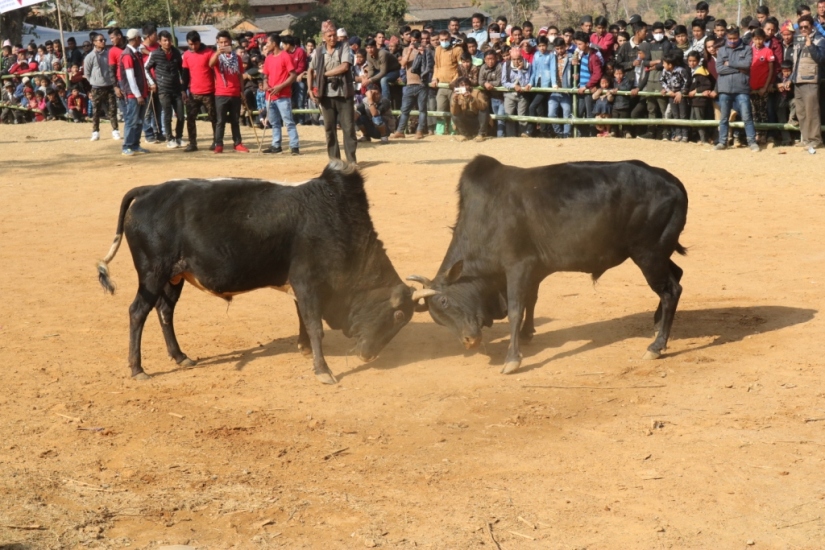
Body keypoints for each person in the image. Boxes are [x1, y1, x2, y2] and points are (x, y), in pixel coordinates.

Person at [308, 20, 358, 163]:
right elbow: (310, 70)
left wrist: (324, 74)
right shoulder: (318, 51)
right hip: (326, 95)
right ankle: (335, 161)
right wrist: (310, 89)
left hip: (343, 93)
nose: (332, 38)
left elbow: (344, 67)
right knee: (329, 130)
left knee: (348, 129)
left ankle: (351, 162)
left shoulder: (344, 47)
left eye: (334, 35)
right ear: (323, 37)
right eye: (329, 36)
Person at [715, 25, 759, 151]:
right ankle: (722, 142)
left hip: (742, 89)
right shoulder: (722, 50)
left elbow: (746, 65)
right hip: (724, 89)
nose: (732, 41)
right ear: (726, 37)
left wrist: (729, 64)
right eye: (730, 38)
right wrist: (738, 68)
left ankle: (752, 142)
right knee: (724, 117)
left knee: (747, 116)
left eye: (735, 38)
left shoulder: (747, 49)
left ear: (739, 36)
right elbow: (719, 69)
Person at [209, 30, 249, 154]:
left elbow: (240, 76)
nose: (224, 44)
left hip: (235, 93)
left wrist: (242, 91)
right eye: (221, 42)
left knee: (235, 120)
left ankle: (237, 143)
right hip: (221, 93)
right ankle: (219, 144)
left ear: (230, 42)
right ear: (217, 43)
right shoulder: (216, 56)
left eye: (226, 42)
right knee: (220, 121)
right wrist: (217, 53)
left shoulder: (236, 57)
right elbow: (210, 64)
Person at [145, 30, 185, 149]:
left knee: (181, 115)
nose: (168, 43)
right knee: (167, 115)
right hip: (163, 90)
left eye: (169, 40)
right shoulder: (155, 54)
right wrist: (152, 82)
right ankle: (169, 138)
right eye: (165, 40)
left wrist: (183, 85)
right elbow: (146, 68)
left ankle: (179, 137)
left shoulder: (176, 52)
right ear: (159, 42)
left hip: (176, 89)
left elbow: (182, 70)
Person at [791, 14, 825, 153]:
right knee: (801, 113)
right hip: (798, 80)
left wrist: (810, 44)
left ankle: (816, 140)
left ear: (812, 26)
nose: (803, 29)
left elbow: (821, 58)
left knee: (812, 112)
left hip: (811, 79)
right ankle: (806, 139)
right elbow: (795, 62)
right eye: (801, 27)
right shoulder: (797, 40)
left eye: (806, 27)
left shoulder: (820, 39)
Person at [261, 33, 299, 155]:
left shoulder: (285, 56)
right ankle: (276, 145)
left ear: (274, 43)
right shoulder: (268, 58)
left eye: (268, 43)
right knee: (274, 122)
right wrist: (265, 83)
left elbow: (293, 75)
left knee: (288, 121)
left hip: (283, 96)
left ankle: (294, 146)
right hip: (270, 95)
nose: (266, 45)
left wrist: (281, 86)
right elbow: (265, 76)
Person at [182, 30, 216, 152]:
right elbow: (185, 74)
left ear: (199, 42)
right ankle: (192, 143)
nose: (193, 46)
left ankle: (216, 141)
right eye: (190, 44)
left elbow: (215, 71)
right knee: (190, 118)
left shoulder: (209, 53)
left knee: (214, 117)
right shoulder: (186, 55)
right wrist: (183, 90)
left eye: (195, 44)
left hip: (209, 91)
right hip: (193, 92)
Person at [393, 29, 432, 139]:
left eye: (415, 40)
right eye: (412, 40)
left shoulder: (425, 50)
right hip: (409, 84)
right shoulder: (406, 50)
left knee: (422, 109)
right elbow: (403, 63)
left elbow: (429, 64)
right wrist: (410, 51)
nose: (413, 42)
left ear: (419, 40)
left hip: (421, 84)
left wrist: (422, 52)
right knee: (405, 110)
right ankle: (400, 131)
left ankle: (420, 131)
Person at [118, 28, 150, 156]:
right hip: (133, 95)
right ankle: (127, 146)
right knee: (132, 120)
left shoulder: (136, 53)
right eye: (140, 39)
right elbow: (130, 77)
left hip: (141, 93)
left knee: (139, 120)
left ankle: (135, 144)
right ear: (136, 38)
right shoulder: (127, 55)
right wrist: (138, 95)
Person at [84, 32, 120, 141]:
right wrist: (93, 82)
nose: (103, 42)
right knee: (96, 111)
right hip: (96, 87)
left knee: (112, 109)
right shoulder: (89, 57)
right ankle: (95, 132)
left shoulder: (109, 54)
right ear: (94, 42)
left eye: (104, 40)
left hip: (109, 86)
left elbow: (113, 68)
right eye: (101, 40)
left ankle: (115, 130)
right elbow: (87, 73)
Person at [640, 22, 673, 139]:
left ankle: (666, 133)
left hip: (662, 80)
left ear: (663, 33)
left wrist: (656, 65)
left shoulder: (667, 44)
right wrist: (656, 62)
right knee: (651, 108)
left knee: (663, 107)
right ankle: (651, 131)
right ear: (652, 33)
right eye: (656, 32)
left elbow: (666, 61)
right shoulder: (650, 45)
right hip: (650, 80)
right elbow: (645, 62)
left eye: (660, 32)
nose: (658, 34)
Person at [572, 31, 603, 137]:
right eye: (577, 44)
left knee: (590, 113)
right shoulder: (583, 54)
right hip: (582, 88)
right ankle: (582, 134)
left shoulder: (593, 56)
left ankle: (591, 134)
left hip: (588, 89)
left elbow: (597, 74)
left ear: (586, 43)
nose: (578, 46)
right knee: (579, 112)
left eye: (580, 44)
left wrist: (586, 86)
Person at [432, 30, 463, 135]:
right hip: (441, 85)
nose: (444, 41)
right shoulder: (437, 49)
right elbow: (436, 65)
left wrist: (455, 81)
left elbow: (461, 68)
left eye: (446, 39)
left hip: (454, 86)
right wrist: (434, 78)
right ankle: (440, 132)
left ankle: (453, 130)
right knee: (440, 109)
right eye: (442, 40)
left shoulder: (458, 49)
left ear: (450, 38)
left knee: (454, 109)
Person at [140, 24, 164, 144]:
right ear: (149, 36)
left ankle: (158, 132)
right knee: (148, 110)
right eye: (155, 34)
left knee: (158, 110)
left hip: (159, 82)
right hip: (147, 84)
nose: (157, 36)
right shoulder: (140, 49)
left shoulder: (158, 47)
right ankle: (148, 134)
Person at [750, 28, 775, 144]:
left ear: (764, 39)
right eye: (756, 39)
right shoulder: (749, 51)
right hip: (751, 88)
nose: (758, 41)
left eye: (760, 39)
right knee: (754, 112)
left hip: (763, 87)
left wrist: (765, 87)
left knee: (763, 112)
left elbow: (771, 70)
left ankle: (764, 134)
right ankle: (757, 134)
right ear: (752, 39)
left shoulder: (768, 51)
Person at [501, 48, 531, 137]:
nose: (516, 61)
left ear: (522, 57)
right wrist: (514, 86)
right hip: (509, 95)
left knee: (522, 117)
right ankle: (510, 137)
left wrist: (520, 70)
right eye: (514, 59)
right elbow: (504, 82)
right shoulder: (506, 65)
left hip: (523, 95)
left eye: (518, 59)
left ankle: (523, 135)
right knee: (509, 116)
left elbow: (525, 82)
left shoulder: (528, 65)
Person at [449, 76, 490, 141]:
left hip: (477, 120)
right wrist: (455, 101)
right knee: (454, 115)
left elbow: (483, 106)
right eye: (462, 85)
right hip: (466, 121)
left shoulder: (477, 92)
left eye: (466, 85)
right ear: (459, 87)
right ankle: (465, 135)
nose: (464, 87)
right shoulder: (456, 94)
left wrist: (472, 98)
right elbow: (454, 112)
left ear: (470, 86)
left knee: (484, 110)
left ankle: (481, 134)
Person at [660, 51, 689, 141]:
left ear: (670, 64)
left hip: (681, 95)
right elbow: (662, 81)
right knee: (675, 114)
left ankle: (685, 135)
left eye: (664, 63)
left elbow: (687, 82)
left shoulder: (681, 70)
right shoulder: (664, 71)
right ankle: (678, 134)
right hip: (671, 94)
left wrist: (681, 92)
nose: (663, 65)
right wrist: (668, 90)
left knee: (683, 115)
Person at [686, 51, 713, 144]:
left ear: (698, 61)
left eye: (694, 61)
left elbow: (707, 85)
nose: (691, 63)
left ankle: (704, 139)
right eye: (690, 61)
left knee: (699, 121)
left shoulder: (700, 72)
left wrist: (696, 91)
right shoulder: (692, 71)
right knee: (693, 120)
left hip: (700, 101)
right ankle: (697, 138)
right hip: (694, 101)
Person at [280, 36, 307, 125]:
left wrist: (293, 74)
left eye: (283, 44)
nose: (282, 46)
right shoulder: (283, 53)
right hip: (288, 79)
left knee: (300, 100)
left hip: (299, 78)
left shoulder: (300, 51)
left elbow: (301, 67)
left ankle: (301, 121)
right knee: (290, 101)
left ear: (288, 45)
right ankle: (292, 121)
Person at [479, 49, 504, 138]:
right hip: (491, 97)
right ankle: (494, 134)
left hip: (501, 97)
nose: (490, 61)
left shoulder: (499, 66)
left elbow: (499, 81)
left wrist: (489, 84)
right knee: (493, 118)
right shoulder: (483, 67)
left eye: (492, 58)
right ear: (485, 60)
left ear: (496, 58)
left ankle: (501, 137)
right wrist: (485, 83)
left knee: (500, 118)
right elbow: (480, 80)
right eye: (488, 59)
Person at [775, 59, 795, 145]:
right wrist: (777, 86)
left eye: (788, 71)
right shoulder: (778, 77)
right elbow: (773, 85)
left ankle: (792, 119)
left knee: (796, 103)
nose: (786, 73)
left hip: (791, 99)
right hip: (781, 100)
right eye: (784, 71)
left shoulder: (794, 77)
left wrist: (791, 89)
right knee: (781, 117)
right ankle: (786, 139)